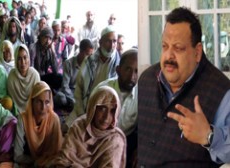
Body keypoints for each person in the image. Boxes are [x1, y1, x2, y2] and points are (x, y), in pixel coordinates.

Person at [138, 7, 230, 167]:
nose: (168, 56)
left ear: (197, 52)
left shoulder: (221, 90)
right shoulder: (146, 79)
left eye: (178, 48)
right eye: (165, 46)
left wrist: (208, 136)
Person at [54, 86, 126, 167]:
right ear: (93, 108)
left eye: (112, 111)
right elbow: (62, 161)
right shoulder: (79, 126)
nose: (106, 118)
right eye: (102, 109)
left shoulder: (115, 140)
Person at [65, 26, 120, 127]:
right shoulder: (88, 61)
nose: (112, 45)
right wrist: (82, 112)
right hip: (85, 107)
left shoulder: (118, 65)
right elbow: (79, 90)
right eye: (108, 41)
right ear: (100, 42)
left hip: (105, 113)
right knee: (71, 132)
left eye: (114, 41)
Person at [97, 48, 138, 167]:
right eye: (128, 69)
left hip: (126, 140)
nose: (132, 76)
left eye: (136, 71)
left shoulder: (142, 95)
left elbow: (144, 128)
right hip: (100, 138)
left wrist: (138, 150)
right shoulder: (102, 90)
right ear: (118, 70)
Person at [14, 81, 62, 167]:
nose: (43, 108)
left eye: (47, 102)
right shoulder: (23, 119)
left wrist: (43, 163)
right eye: (39, 102)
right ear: (32, 101)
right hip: (28, 161)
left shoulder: (54, 120)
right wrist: (36, 161)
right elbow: (17, 156)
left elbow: (57, 153)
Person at [54, 39, 93, 111]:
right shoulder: (68, 63)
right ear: (81, 51)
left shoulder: (90, 66)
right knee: (61, 98)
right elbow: (65, 86)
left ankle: (72, 106)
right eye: (87, 54)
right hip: (68, 94)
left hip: (80, 95)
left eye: (90, 55)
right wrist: (74, 99)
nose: (89, 58)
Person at [7, 44, 40, 115]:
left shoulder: (34, 75)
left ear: (29, 58)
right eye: (19, 59)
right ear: (15, 60)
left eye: (25, 57)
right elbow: (12, 101)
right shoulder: (12, 76)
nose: (23, 62)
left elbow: (37, 99)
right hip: (16, 113)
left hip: (32, 111)